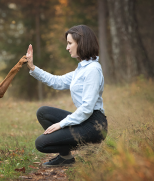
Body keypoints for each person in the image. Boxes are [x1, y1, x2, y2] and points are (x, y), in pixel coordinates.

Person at [25, 25, 108, 167]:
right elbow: (57, 82)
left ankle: (91, 146)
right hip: (85, 120)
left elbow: (87, 108)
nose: (67, 47)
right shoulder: (81, 69)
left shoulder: (93, 70)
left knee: (41, 144)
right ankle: (66, 158)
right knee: (44, 112)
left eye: (70, 43)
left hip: (95, 125)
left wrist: (61, 124)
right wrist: (33, 68)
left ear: (81, 43)